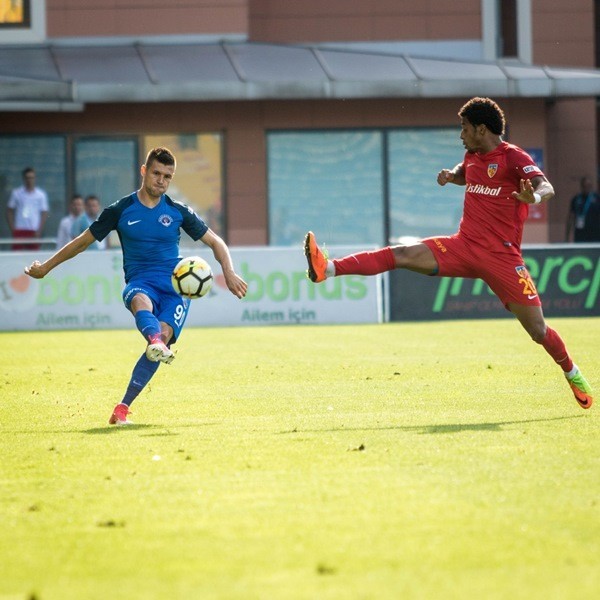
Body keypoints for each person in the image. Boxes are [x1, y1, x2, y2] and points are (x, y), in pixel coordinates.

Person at [304, 97, 593, 410]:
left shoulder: (513, 156)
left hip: (502, 258)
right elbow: (466, 170)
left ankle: (572, 372)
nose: (461, 135)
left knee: (538, 331)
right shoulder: (472, 155)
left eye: (465, 128)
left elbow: (546, 186)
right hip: (463, 246)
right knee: (402, 253)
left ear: (481, 129)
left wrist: (533, 197)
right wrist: (452, 176)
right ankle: (327, 269)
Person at [25, 147, 248, 425]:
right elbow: (82, 242)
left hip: (176, 288)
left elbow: (216, 242)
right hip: (140, 282)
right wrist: (46, 267)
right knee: (141, 303)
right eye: (156, 173)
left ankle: (122, 408)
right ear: (144, 171)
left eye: (167, 176)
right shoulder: (120, 210)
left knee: (162, 337)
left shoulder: (177, 211)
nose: (161, 180)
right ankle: (155, 342)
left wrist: (229, 271)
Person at [6, 167, 49, 250]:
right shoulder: (17, 193)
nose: (30, 180)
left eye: (32, 178)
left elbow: (44, 213)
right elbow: (9, 211)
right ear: (24, 179)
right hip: (19, 230)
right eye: (27, 178)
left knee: (34, 256)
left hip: (34, 230)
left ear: (35, 179)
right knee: (17, 255)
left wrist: (39, 230)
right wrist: (13, 229)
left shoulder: (41, 195)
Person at [565, 176, 600, 242]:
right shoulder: (576, 199)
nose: (587, 188)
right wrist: (567, 236)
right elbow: (571, 217)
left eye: (589, 186)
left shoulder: (597, 198)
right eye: (585, 186)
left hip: (595, 234)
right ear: (582, 186)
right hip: (580, 234)